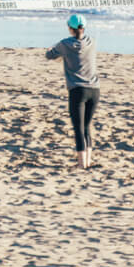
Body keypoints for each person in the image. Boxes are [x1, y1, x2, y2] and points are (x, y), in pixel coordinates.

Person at [45, 13, 99, 169]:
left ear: (70, 28)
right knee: (87, 127)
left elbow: (50, 55)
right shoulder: (92, 42)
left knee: (78, 128)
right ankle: (88, 161)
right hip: (95, 90)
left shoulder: (65, 44)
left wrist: (53, 51)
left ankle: (82, 164)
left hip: (78, 90)